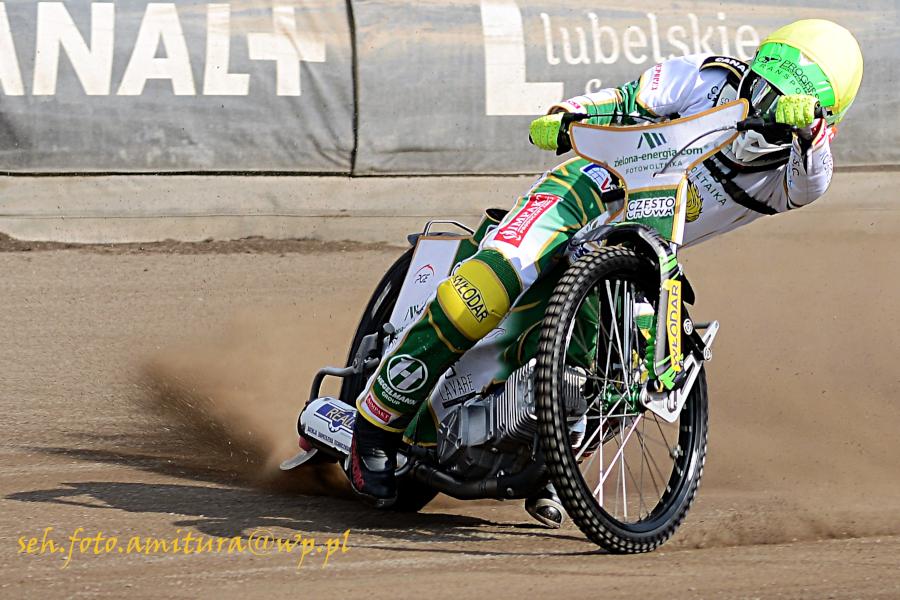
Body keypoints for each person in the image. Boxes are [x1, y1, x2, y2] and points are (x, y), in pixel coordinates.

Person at [345, 19, 864, 525]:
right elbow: (627, 98)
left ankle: (554, 458)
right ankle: (375, 425)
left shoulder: (796, 174)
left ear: (824, 119)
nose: (765, 104)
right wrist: (569, 113)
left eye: (785, 100)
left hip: (641, 246)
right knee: (484, 288)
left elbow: (812, 179)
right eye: (761, 84)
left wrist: (808, 130)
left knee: (634, 359)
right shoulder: (711, 77)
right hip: (589, 189)